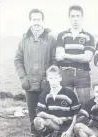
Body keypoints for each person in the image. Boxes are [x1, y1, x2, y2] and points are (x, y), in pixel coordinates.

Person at [14, 9, 56, 137]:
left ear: (43, 21)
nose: (36, 22)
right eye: (34, 19)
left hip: (46, 85)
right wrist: (23, 78)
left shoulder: (50, 39)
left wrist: (48, 79)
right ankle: (35, 134)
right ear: (30, 21)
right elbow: (17, 60)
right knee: (33, 114)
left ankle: (48, 134)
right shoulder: (24, 39)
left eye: (39, 19)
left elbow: (54, 61)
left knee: (47, 113)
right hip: (30, 85)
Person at [55, 5, 95, 106]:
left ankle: (83, 122)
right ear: (69, 18)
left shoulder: (89, 36)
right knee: (65, 104)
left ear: (82, 18)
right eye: (73, 16)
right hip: (64, 73)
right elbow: (59, 56)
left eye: (78, 16)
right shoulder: (61, 35)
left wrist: (66, 55)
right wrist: (77, 57)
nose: (75, 19)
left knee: (85, 104)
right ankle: (69, 122)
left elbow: (87, 58)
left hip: (82, 74)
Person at [34, 65, 81, 137]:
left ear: (60, 78)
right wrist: (53, 117)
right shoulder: (45, 94)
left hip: (68, 126)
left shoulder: (69, 93)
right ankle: (50, 135)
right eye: (51, 78)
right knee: (37, 121)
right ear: (47, 78)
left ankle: (62, 134)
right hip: (54, 124)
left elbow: (77, 114)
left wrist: (70, 130)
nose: (53, 81)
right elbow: (39, 112)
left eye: (55, 78)